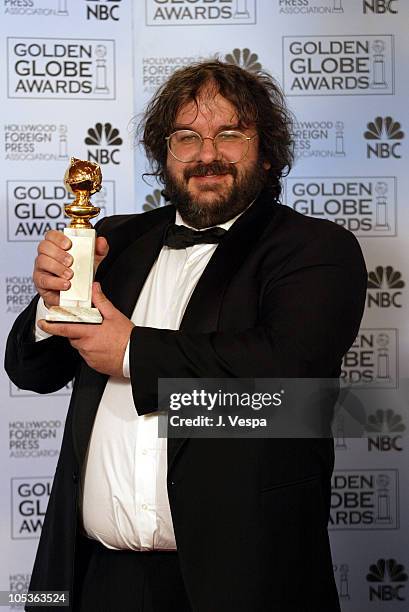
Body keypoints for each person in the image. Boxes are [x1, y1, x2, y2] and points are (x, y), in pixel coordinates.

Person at [5, 60, 367, 612]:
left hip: (243, 581)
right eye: (186, 138)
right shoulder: (114, 239)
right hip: (94, 577)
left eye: (229, 135)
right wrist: (51, 303)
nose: (207, 154)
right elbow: (30, 370)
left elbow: (288, 380)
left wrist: (130, 352)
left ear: (266, 151)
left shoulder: (316, 248)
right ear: (164, 153)